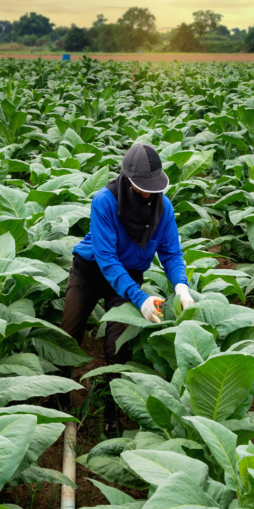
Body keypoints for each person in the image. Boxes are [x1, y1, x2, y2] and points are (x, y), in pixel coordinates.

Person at [61, 142, 195, 433]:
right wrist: (140, 297)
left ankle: (113, 411)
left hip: (129, 274)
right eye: (142, 186)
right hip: (92, 269)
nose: (148, 192)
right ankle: (58, 398)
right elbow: (107, 259)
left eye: (153, 186)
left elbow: (171, 253)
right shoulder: (105, 201)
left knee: (117, 347)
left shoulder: (164, 207)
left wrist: (182, 287)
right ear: (127, 180)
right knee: (68, 335)